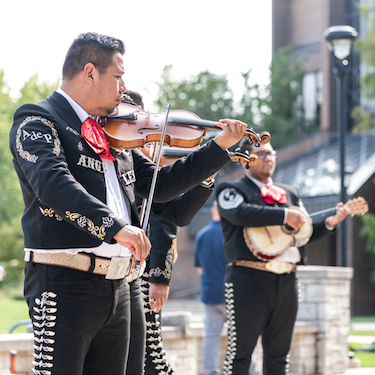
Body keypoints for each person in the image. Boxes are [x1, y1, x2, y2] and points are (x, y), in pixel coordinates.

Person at [9, 32, 248, 375]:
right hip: (65, 283)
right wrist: (117, 228)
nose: (124, 88)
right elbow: (54, 186)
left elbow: (160, 186)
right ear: (90, 73)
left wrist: (219, 147)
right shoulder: (37, 120)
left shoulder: (114, 136)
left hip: (123, 287)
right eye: (118, 76)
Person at [215, 139, 350, 375]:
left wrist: (329, 223)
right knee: (240, 352)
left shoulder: (290, 192)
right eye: (261, 153)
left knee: (279, 354)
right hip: (247, 278)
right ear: (247, 159)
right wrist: (285, 215)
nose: (268, 158)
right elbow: (239, 213)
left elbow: (303, 232)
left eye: (271, 153)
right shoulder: (231, 189)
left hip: (287, 280)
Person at [122, 90, 215, 374]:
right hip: (106, 272)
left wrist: (205, 173)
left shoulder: (147, 164)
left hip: (138, 273)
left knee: (147, 354)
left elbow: (173, 217)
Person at [194, 200, 228, 375]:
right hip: (232, 294)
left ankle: (211, 371)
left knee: (211, 336)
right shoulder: (231, 234)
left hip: (210, 294)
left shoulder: (201, 235)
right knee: (242, 336)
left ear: (213, 212)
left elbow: (200, 268)